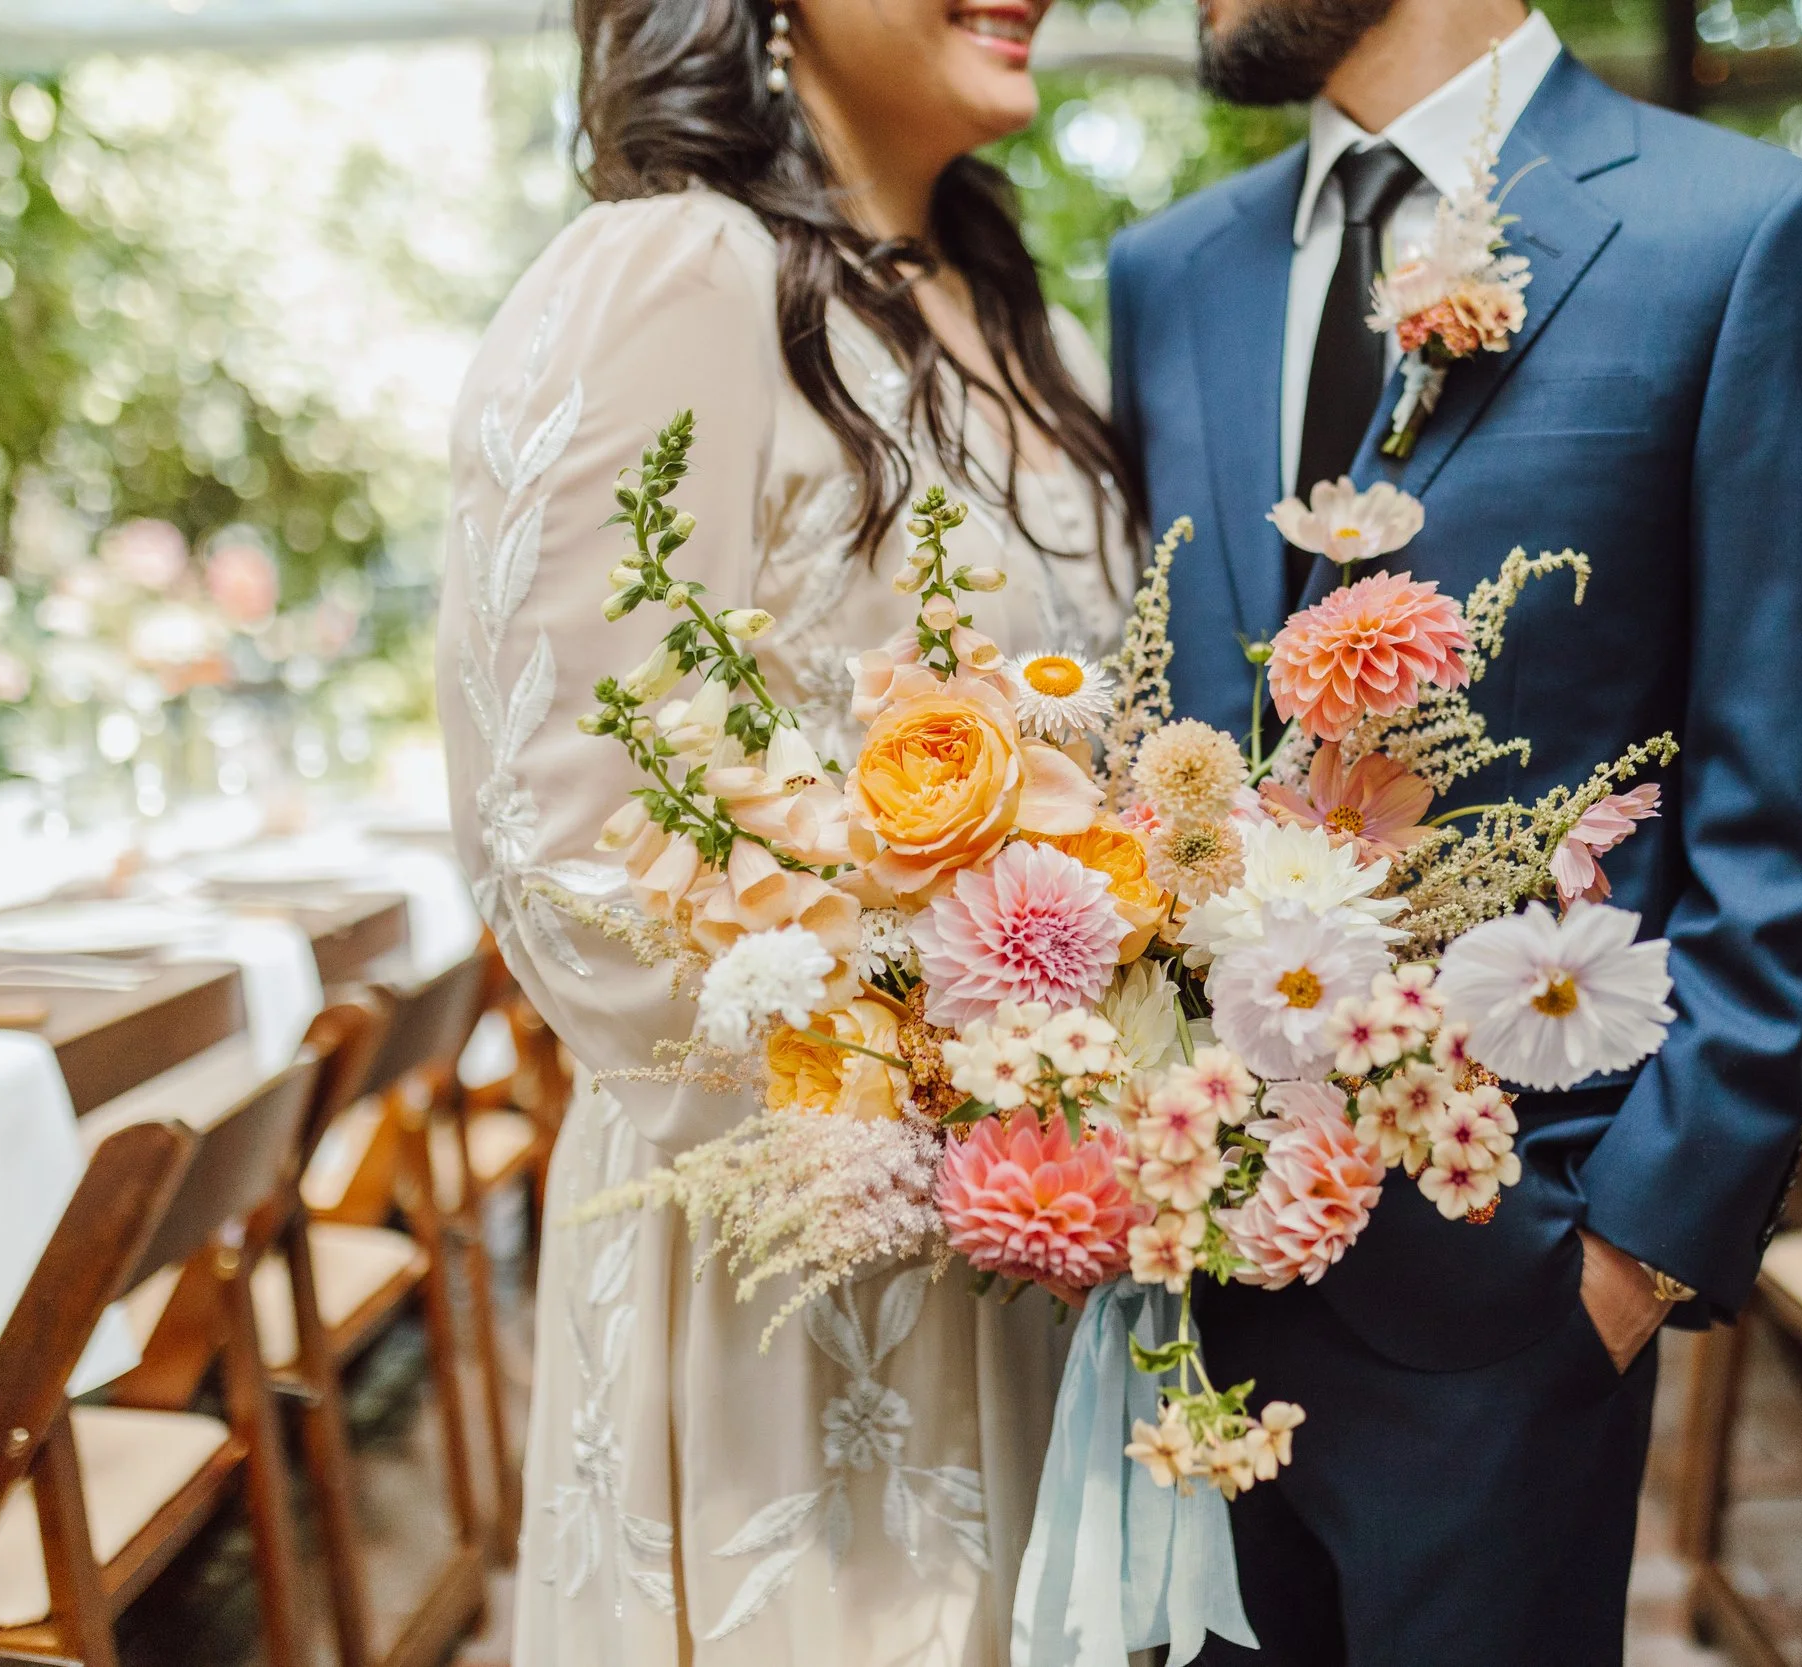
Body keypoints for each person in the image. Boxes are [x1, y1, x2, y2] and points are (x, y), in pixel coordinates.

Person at [1107, 0, 1802, 1659]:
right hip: (1184, 1271)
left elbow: (1794, 819)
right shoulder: (1166, 271)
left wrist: (1628, 1257)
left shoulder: (1748, 236)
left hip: (1515, 1280)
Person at [435, 0, 1136, 1658]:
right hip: (792, 1256)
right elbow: (563, 828)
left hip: (1057, 1227)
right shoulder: (675, 273)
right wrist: (919, 1113)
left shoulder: (1029, 318)